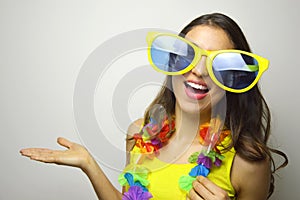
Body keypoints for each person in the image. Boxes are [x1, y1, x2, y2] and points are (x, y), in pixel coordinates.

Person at [20, 13, 288, 200]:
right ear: (174, 63)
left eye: (217, 63)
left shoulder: (247, 160)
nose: (198, 71)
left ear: (232, 79)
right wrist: (89, 164)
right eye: (188, 55)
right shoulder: (139, 134)